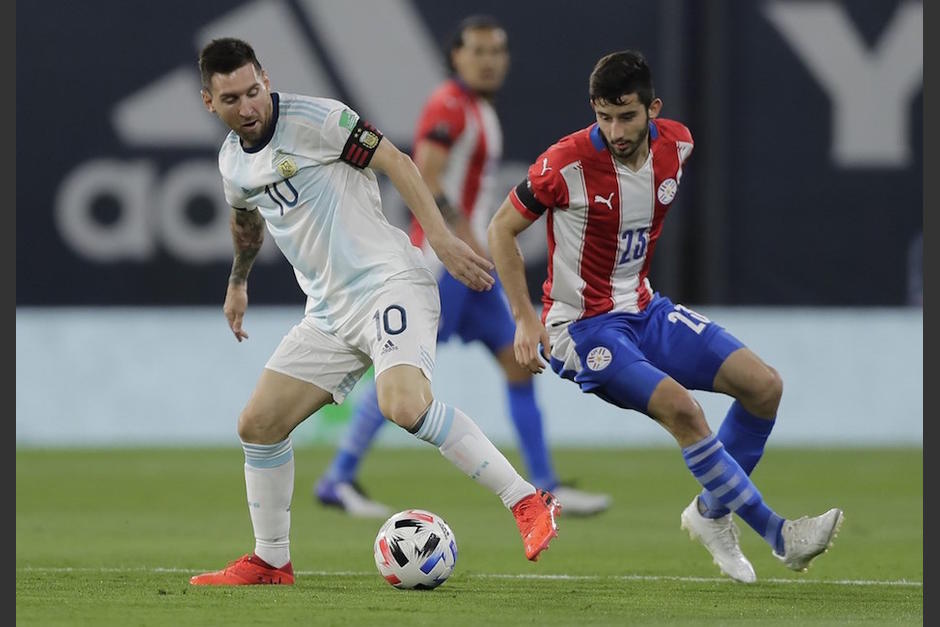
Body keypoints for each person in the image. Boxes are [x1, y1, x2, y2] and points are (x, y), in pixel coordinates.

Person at [188, 37, 560, 586]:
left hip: (390, 283)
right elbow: (246, 223)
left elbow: (396, 160)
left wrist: (442, 238)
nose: (247, 107)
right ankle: (271, 560)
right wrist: (238, 282)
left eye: (253, 91)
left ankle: (527, 500)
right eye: (231, 99)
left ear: (265, 78)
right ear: (209, 102)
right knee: (258, 425)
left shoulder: (319, 120)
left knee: (403, 405)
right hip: (329, 313)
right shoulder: (231, 163)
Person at [486, 49, 843, 583]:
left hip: (646, 310)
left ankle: (711, 514)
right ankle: (780, 536)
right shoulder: (565, 164)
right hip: (582, 328)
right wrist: (523, 317)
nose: (615, 130)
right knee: (683, 410)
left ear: (653, 108)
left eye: (627, 116)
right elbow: (500, 228)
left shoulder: (677, 145)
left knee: (764, 386)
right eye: (604, 117)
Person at [314, 15, 611, 519]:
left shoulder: (478, 110)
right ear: (456, 56)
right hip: (445, 265)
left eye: (496, 52)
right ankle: (338, 478)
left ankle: (545, 486)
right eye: (478, 51)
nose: (488, 61)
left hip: (471, 267)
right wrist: (462, 239)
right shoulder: (450, 104)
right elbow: (426, 175)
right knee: (400, 370)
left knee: (518, 363)